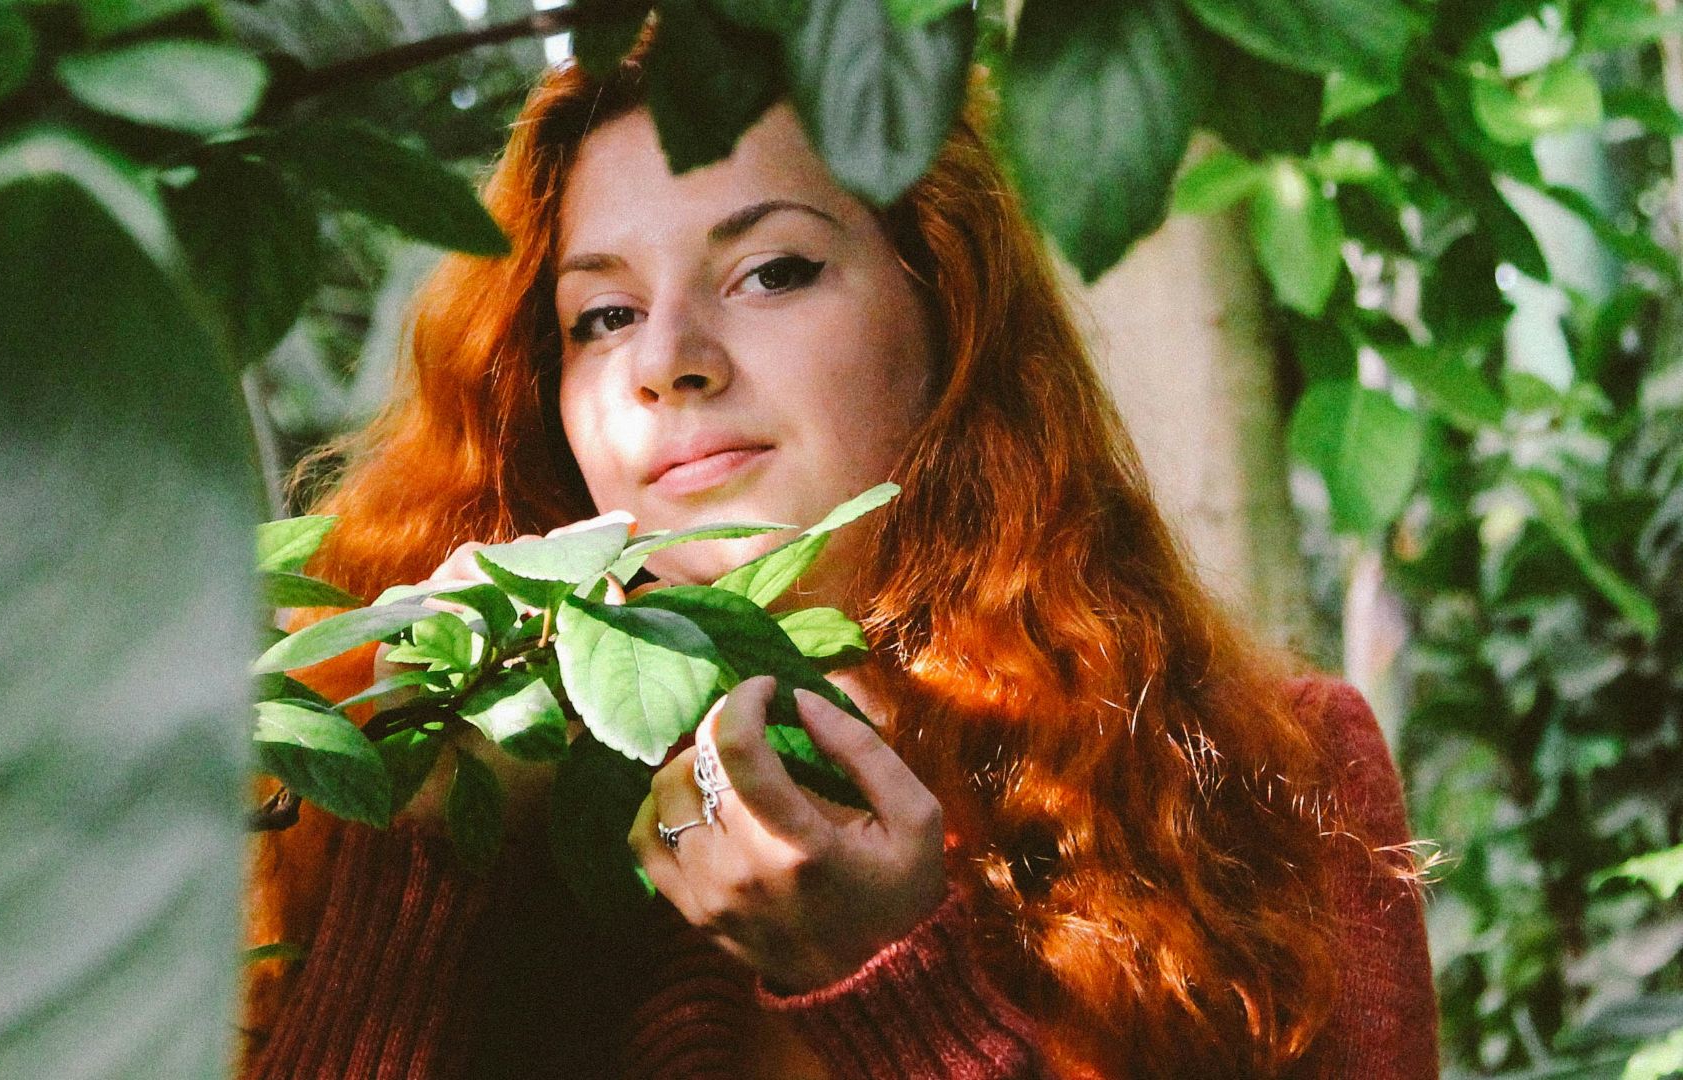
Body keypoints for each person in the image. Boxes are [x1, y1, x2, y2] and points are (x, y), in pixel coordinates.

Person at [240, 34, 1439, 1080]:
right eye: (601, 314)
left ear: (947, 311)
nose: (668, 358)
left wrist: (884, 988)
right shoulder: (418, 770)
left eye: (773, 270)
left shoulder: (1270, 775)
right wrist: (426, 871)